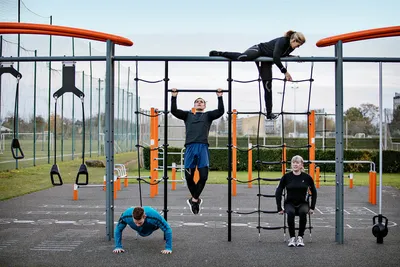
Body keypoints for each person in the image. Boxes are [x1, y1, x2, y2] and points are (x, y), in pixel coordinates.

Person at [209, 31, 305, 120]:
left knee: (267, 86)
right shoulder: (283, 41)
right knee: (243, 57)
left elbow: (282, 55)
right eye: (298, 45)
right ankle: (220, 53)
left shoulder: (290, 47)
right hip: (259, 50)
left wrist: (295, 58)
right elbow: (276, 57)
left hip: (266, 60)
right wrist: (285, 72)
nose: (298, 47)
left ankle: (269, 113)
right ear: (294, 40)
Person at [171, 88, 224, 215]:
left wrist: (220, 96)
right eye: (197, 101)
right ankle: (195, 200)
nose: (199, 103)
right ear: (194, 105)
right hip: (190, 148)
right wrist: (174, 96)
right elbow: (174, 111)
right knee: (189, 177)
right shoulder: (187, 115)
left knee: (204, 176)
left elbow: (220, 111)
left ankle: (194, 199)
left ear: (205, 106)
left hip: (202, 148)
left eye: (202, 102)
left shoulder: (208, 116)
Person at [275, 155, 317, 247]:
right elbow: (278, 191)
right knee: (290, 213)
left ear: (301, 165)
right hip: (289, 203)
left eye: (297, 163)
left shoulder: (307, 177)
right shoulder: (286, 177)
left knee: (303, 212)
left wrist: (312, 207)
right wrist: (279, 207)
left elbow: (314, 192)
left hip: (303, 203)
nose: (295, 164)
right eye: (293, 162)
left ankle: (300, 237)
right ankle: (292, 238)